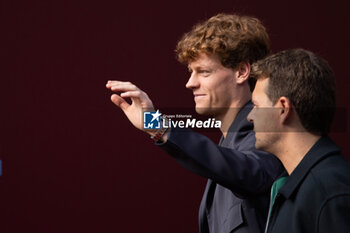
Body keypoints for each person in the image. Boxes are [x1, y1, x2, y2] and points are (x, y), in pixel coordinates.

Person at [106, 13, 283, 233]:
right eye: (191, 72)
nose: (190, 83)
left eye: (204, 72)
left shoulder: (264, 134)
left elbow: (249, 171)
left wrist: (157, 126)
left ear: (241, 72)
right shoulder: (230, 143)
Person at [247, 48, 350, 233]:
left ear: (283, 109)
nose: (250, 117)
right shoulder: (296, 187)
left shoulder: (329, 191)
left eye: (256, 106)